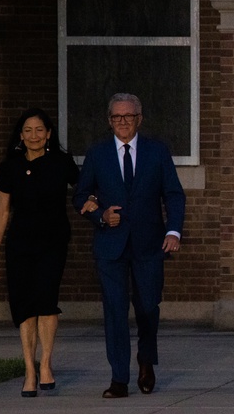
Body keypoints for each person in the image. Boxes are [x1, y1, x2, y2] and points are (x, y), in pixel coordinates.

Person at [73, 93, 185, 398]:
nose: (123, 122)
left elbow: (173, 194)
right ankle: (119, 378)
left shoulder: (157, 152)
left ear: (139, 119)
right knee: (115, 310)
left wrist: (173, 231)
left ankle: (146, 359)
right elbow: (81, 196)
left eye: (129, 116)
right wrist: (100, 215)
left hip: (150, 244)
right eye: (117, 117)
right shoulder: (97, 154)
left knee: (148, 307)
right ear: (110, 121)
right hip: (111, 246)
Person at [0, 107, 80, 397]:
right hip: (20, 244)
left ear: (49, 133)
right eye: (27, 130)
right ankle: (29, 370)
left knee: (46, 301)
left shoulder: (62, 163)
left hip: (53, 241)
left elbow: (86, 189)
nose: (34, 135)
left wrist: (93, 202)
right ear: (20, 135)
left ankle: (47, 365)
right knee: (24, 306)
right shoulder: (10, 167)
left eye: (39, 130)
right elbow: (3, 211)